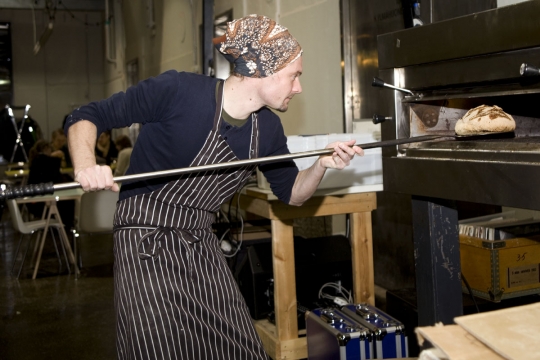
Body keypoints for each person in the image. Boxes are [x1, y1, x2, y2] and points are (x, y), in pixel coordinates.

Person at [65, 14, 363, 360]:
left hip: (198, 238)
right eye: (294, 76)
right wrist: (86, 165)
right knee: (156, 347)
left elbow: (293, 193)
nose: (298, 87)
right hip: (143, 234)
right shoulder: (177, 91)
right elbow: (86, 116)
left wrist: (321, 165)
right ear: (259, 70)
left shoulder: (267, 130)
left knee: (240, 347)